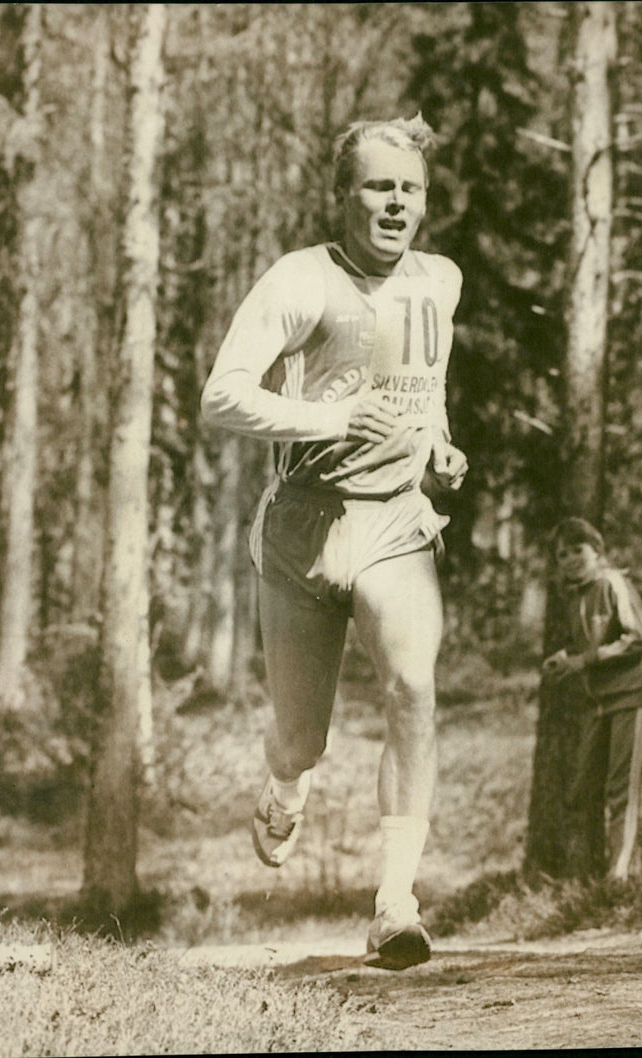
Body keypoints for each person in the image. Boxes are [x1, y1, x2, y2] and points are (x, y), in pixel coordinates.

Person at [200, 114, 467, 970]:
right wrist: (331, 415)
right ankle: (285, 785)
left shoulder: (442, 280)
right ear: (342, 194)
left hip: (394, 518)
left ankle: (396, 902)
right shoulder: (301, 279)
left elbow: (426, 386)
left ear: (426, 199)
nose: (396, 204)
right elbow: (222, 397)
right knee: (302, 737)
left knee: (414, 688)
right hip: (304, 530)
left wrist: (438, 450)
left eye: (410, 189)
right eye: (378, 186)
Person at [538, 517, 642, 881]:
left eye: (579, 550)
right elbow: (589, 646)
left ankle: (618, 875)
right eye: (563, 554)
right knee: (582, 788)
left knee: (622, 788)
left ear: (597, 551)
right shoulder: (575, 594)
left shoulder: (611, 583)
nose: (573, 559)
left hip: (631, 693)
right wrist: (567, 660)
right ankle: (584, 873)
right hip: (600, 699)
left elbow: (637, 639)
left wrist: (582, 661)